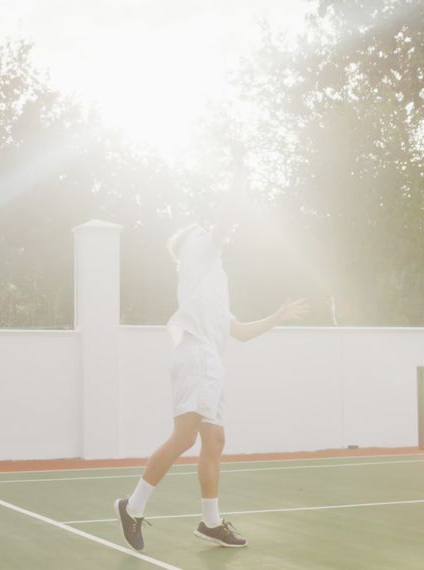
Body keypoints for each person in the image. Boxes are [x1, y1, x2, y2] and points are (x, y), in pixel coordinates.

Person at [115, 187, 309, 550]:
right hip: (198, 356)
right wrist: (238, 185)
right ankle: (133, 505)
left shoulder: (212, 289)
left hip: (211, 361)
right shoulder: (199, 250)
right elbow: (222, 224)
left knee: (214, 442)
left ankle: (210, 523)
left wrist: (278, 317)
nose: (219, 233)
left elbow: (241, 333)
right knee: (185, 437)